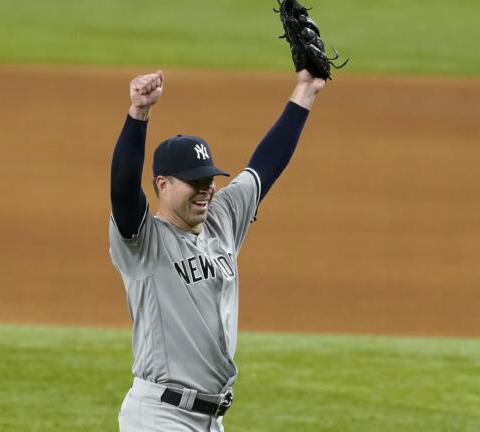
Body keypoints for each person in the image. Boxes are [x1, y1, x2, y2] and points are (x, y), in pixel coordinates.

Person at [109, 68, 325, 432]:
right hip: (161, 417)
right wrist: (139, 113)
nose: (206, 189)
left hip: (210, 419)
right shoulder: (142, 242)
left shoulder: (221, 220)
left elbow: (265, 166)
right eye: (195, 182)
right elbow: (123, 190)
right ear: (163, 184)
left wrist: (306, 90)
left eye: (209, 179)